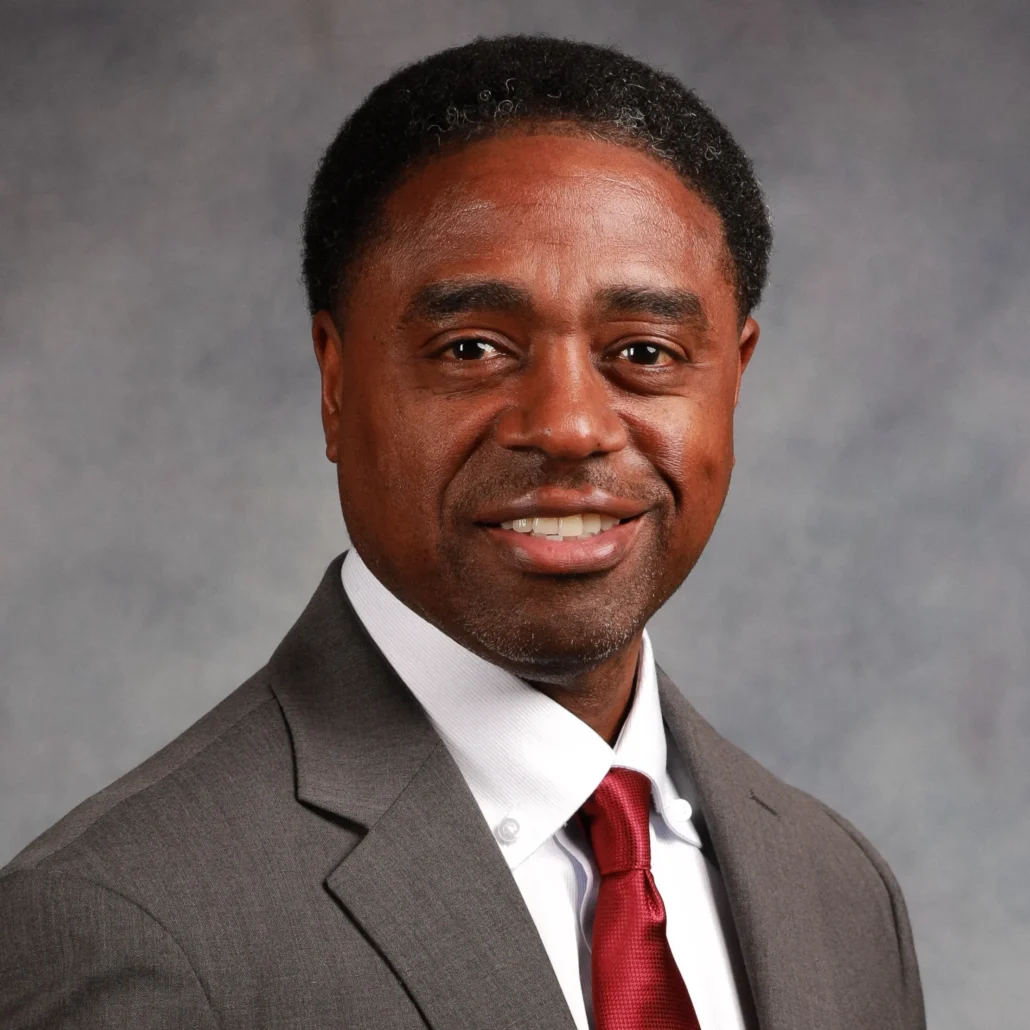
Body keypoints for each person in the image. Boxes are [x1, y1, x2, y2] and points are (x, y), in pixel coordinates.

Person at [0, 34, 925, 1030]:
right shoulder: (124, 921)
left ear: (733, 375)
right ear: (336, 378)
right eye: (472, 347)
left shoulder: (837, 890)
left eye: (644, 351)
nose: (568, 425)